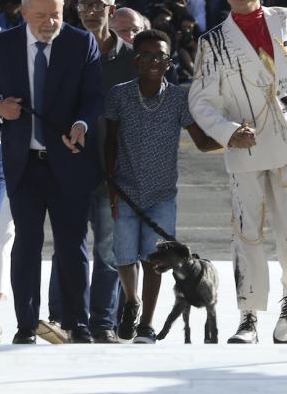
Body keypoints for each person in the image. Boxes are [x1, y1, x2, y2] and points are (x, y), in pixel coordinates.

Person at [188, 0, 287, 345]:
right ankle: (248, 314)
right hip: (244, 149)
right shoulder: (212, 42)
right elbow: (200, 101)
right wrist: (228, 132)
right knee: (247, 233)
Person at [0, 0, 104, 344]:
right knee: (26, 245)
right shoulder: (5, 44)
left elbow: (94, 96)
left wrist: (81, 124)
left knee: (72, 245)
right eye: (42, 15)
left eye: (57, 15)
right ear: (24, 12)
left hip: (69, 162)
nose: (50, 22)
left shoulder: (81, 43)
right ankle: (26, 325)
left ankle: (79, 322)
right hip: (24, 164)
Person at [105, 29, 220, 343]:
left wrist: (232, 138)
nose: (155, 62)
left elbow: (201, 140)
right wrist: (110, 183)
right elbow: (110, 141)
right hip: (125, 189)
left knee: (154, 259)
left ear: (170, 62)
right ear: (135, 60)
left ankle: (147, 324)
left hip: (161, 194)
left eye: (162, 57)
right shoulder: (119, 95)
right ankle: (131, 301)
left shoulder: (179, 98)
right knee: (125, 256)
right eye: (147, 56)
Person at [45, 0, 131, 343]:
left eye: (99, 5)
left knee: (108, 249)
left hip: (114, 170)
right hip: (70, 164)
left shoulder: (131, 57)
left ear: (112, 10)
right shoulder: (58, 49)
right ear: (74, 9)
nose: (92, 11)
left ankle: (102, 322)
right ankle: (62, 317)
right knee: (69, 243)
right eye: (84, 5)